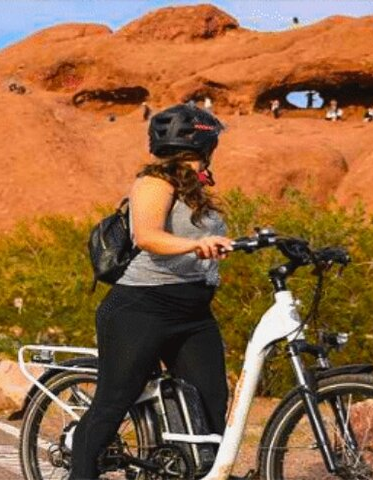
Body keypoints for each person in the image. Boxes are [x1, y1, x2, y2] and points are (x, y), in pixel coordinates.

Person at [69, 104, 232, 480]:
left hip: (193, 315)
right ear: (206, 142)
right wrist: (196, 245)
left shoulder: (198, 191)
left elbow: (197, 239)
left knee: (210, 408)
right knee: (113, 404)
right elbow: (148, 235)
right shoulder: (154, 183)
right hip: (140, 308)